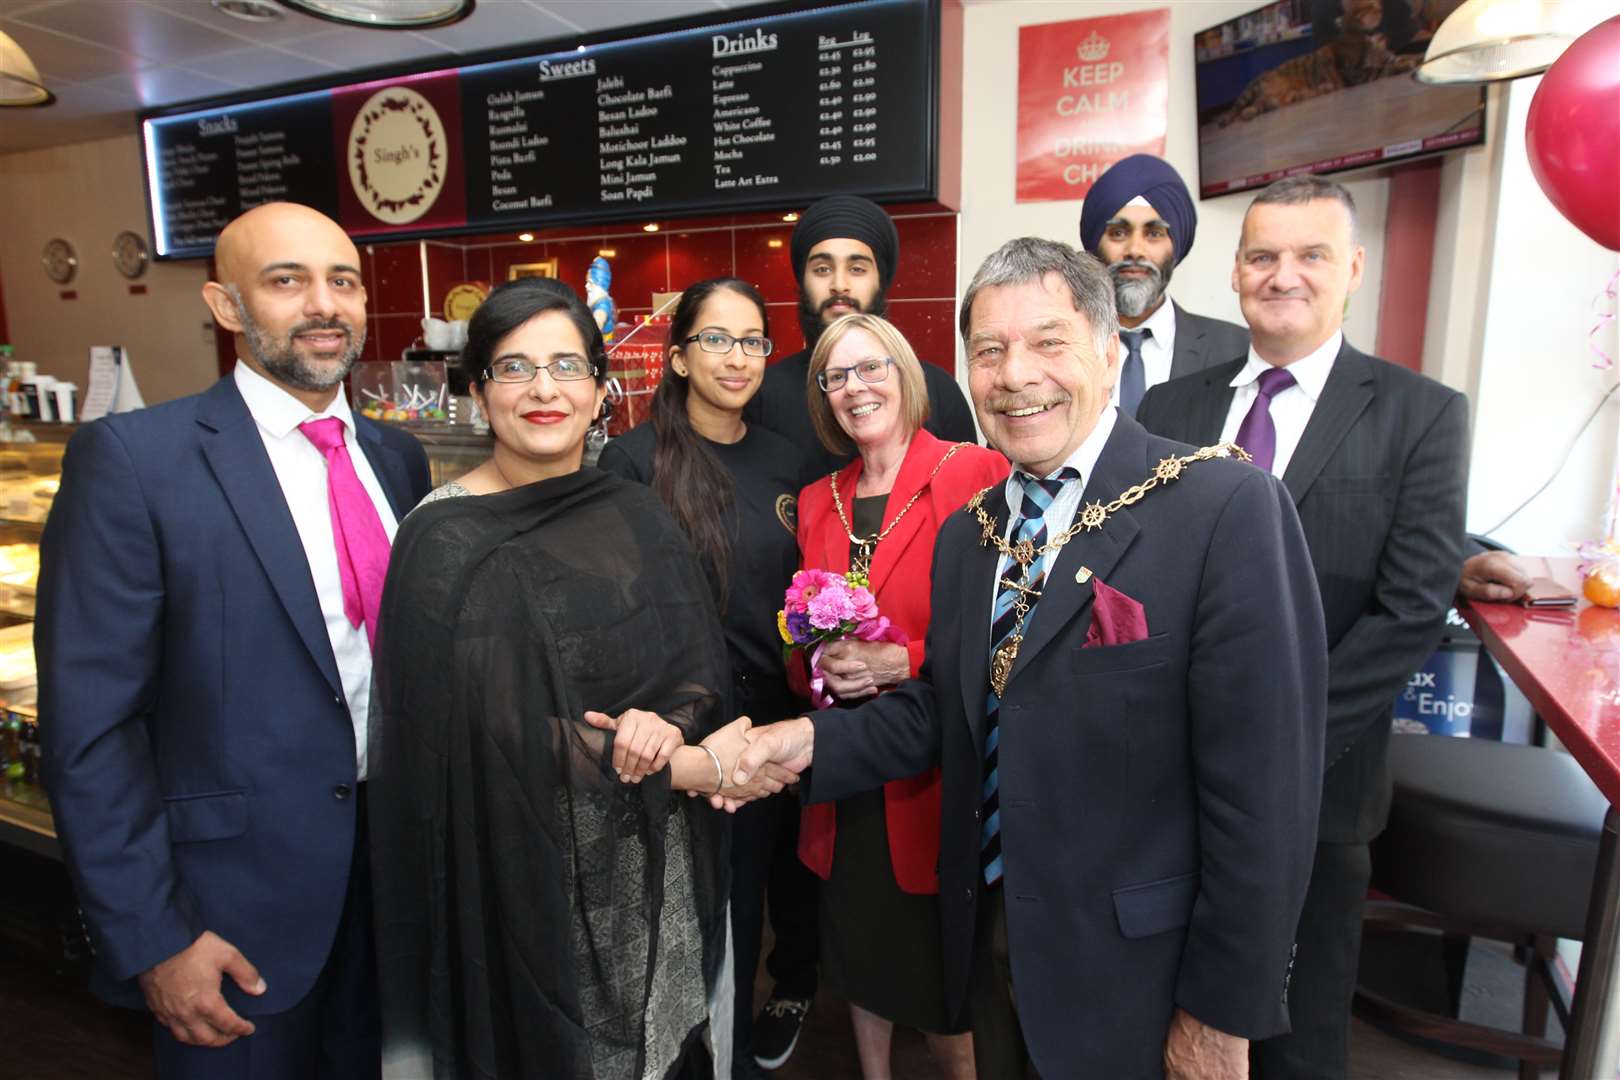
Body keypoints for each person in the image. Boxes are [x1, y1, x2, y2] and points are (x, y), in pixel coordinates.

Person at [737, 236, 1328, 1078]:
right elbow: (947, 710)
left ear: (1107, 349)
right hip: (993, 953)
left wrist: (1220, 1013)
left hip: (1141, 980)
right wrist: (796, 744)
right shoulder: (970, 535)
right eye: (990, 351)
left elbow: (1266, 799)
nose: (1016, 375)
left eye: (1048, 342)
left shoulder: (1220, 507)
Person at [36, 201, 432, 1079]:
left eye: (343, 281)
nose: (323, 305)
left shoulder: (395, 461)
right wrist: (154, 936)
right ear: (225, 306)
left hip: (393, 889)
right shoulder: (135, 461)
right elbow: (91, 730)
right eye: (286, 281)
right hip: (232, 920)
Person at [369, 277, 795, 1080]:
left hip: (651, 869)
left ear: (601, 390)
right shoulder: (442, 540)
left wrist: (669, 720)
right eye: (514, 368)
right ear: (478, 390)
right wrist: (684, 764)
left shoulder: (634, 511)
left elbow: (690, 662)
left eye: (567, 366)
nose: (543, 389)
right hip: (521, 873)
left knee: (662, 1052)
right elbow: (475, 730)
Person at [1137, 175, 1469, 1080]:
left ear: (1353, 268)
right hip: (1166, 774)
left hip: (1319, 785)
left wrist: (1279, 743)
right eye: (1262, 255)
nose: (1283, 275)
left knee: (1295, 1033)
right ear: (1236, 272)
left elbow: (1409, 612)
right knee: (1163, 1013)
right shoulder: (1172, 409)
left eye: (1310, 254)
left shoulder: (1422, 415)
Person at [596, 277, 812, 1080]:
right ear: (680, 355)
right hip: (671, 741)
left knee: (739, 917)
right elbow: (617, 613)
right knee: (664, 930)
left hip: (762, 746)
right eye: (714, 340)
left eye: (752, 340)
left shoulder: (787, 462)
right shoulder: (632, 461)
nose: (736, 357)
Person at [795, 312, 1006, 1079]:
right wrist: (822, 663)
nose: (856, 388)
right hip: (847, 770)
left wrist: (899, 662)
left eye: (871, 367)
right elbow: (805, 629)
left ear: (907, 374)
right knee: (857, 950)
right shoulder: (820, 498)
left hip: (936, 771)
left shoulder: (974, 472)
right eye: (837, 375)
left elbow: (1001, 631)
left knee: (942, 973)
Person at [747, 193, 979, 478]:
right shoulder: (764, 395)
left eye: (857, 269)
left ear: (880, 281)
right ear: (802, 283)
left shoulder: (938, 391)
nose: (839, 285)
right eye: (822, 269)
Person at [1078, 154, 1250, 416]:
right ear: (1095, 246)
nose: (1135, 250)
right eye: (1118, 233)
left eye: (1154, 234)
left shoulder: (1236, 348)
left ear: (1176, 247)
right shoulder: (1062, 346)